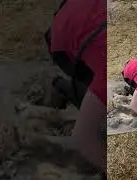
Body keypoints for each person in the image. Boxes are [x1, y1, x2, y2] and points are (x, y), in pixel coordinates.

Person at [37, 0, 106, 173]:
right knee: (101, 121)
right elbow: (82, 138)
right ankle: (61, 87)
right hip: (62, 41)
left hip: (79, 9)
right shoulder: (110, 75)